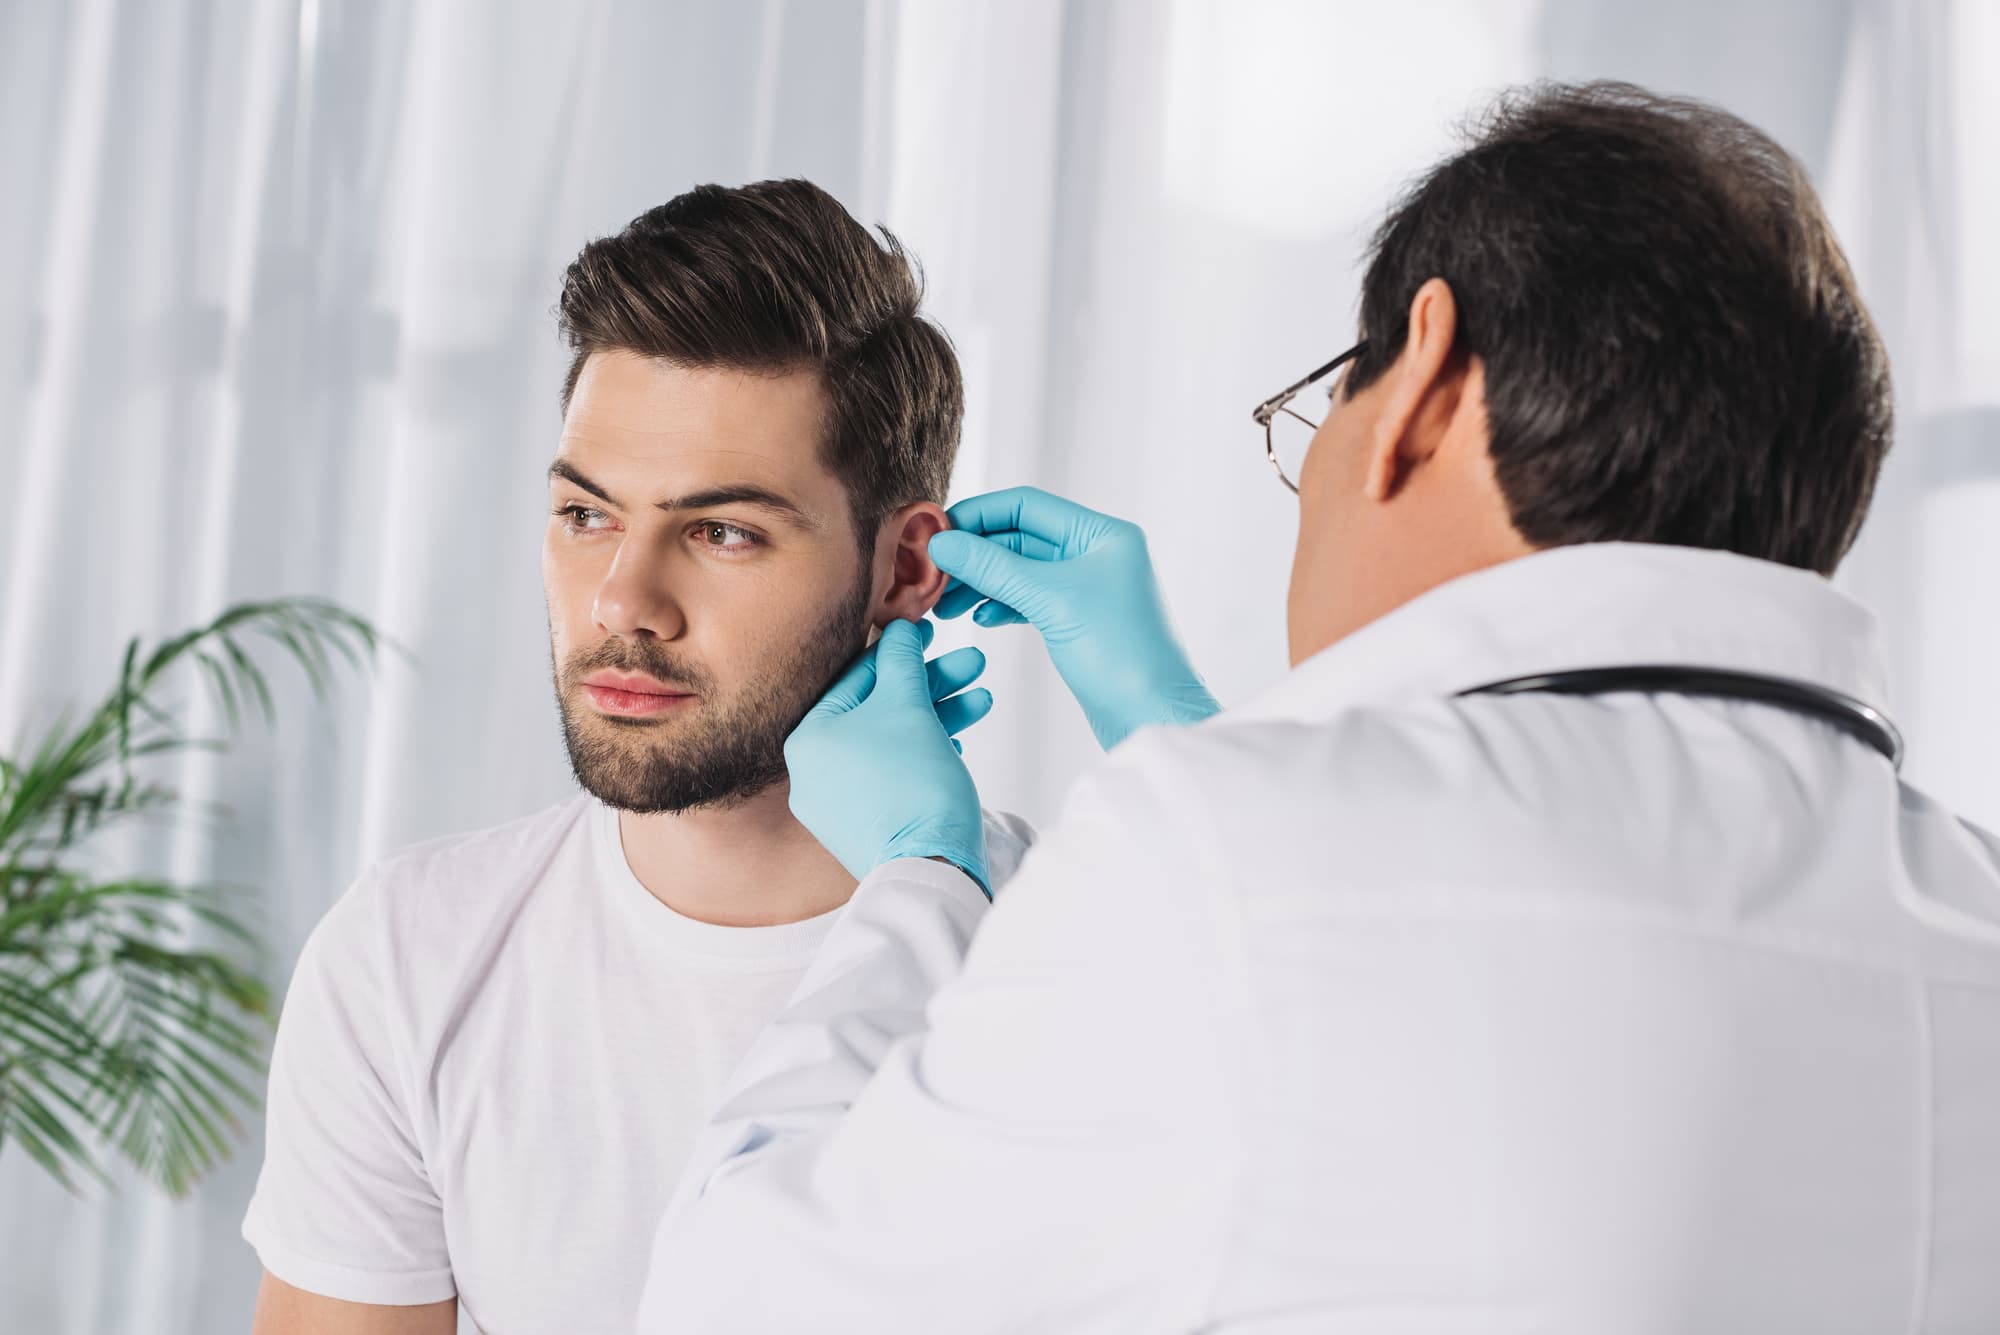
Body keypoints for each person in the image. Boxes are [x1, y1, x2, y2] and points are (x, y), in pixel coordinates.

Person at [638, 82, 2000, 1332]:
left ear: (1425, 375)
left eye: (1315, 415)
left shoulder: (1222, 858)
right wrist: (1185, 741)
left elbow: (739, 1301)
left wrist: (917, 876)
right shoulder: (1970, 910)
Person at [243, 180, 1035, 1334]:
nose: (623, 602)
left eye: (723, 532)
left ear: (907, 566)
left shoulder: (1071, 952)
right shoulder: (410, 959)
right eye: (586, 515)